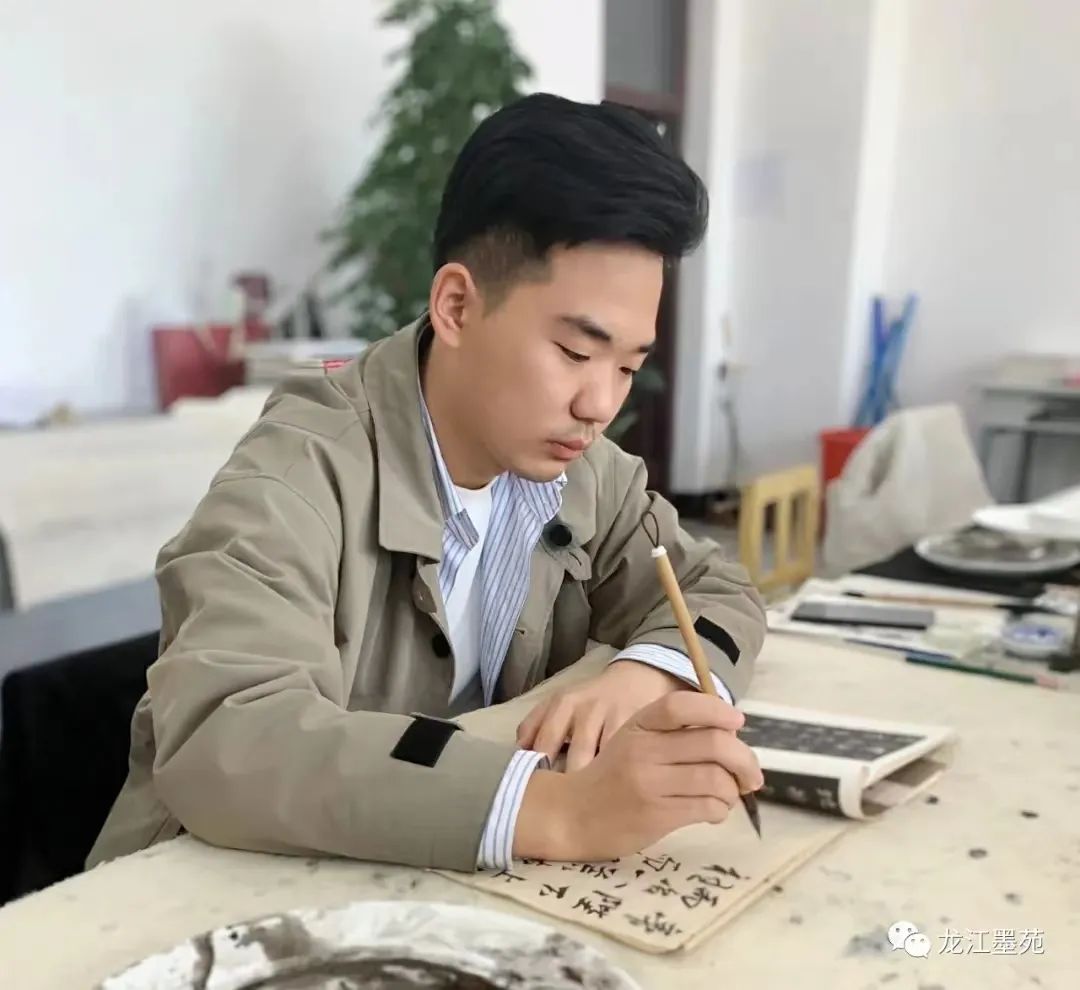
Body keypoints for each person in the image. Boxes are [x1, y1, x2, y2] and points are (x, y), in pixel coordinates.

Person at [89, 93, 767, 875]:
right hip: (203, 894)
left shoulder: (582, 471)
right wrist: (556, 811)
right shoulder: (298, 473)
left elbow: (715, 589)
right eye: (577, 354)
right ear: (455, 306)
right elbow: (227, 735)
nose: (600, 404)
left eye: (627, 366)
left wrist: (646, 673)